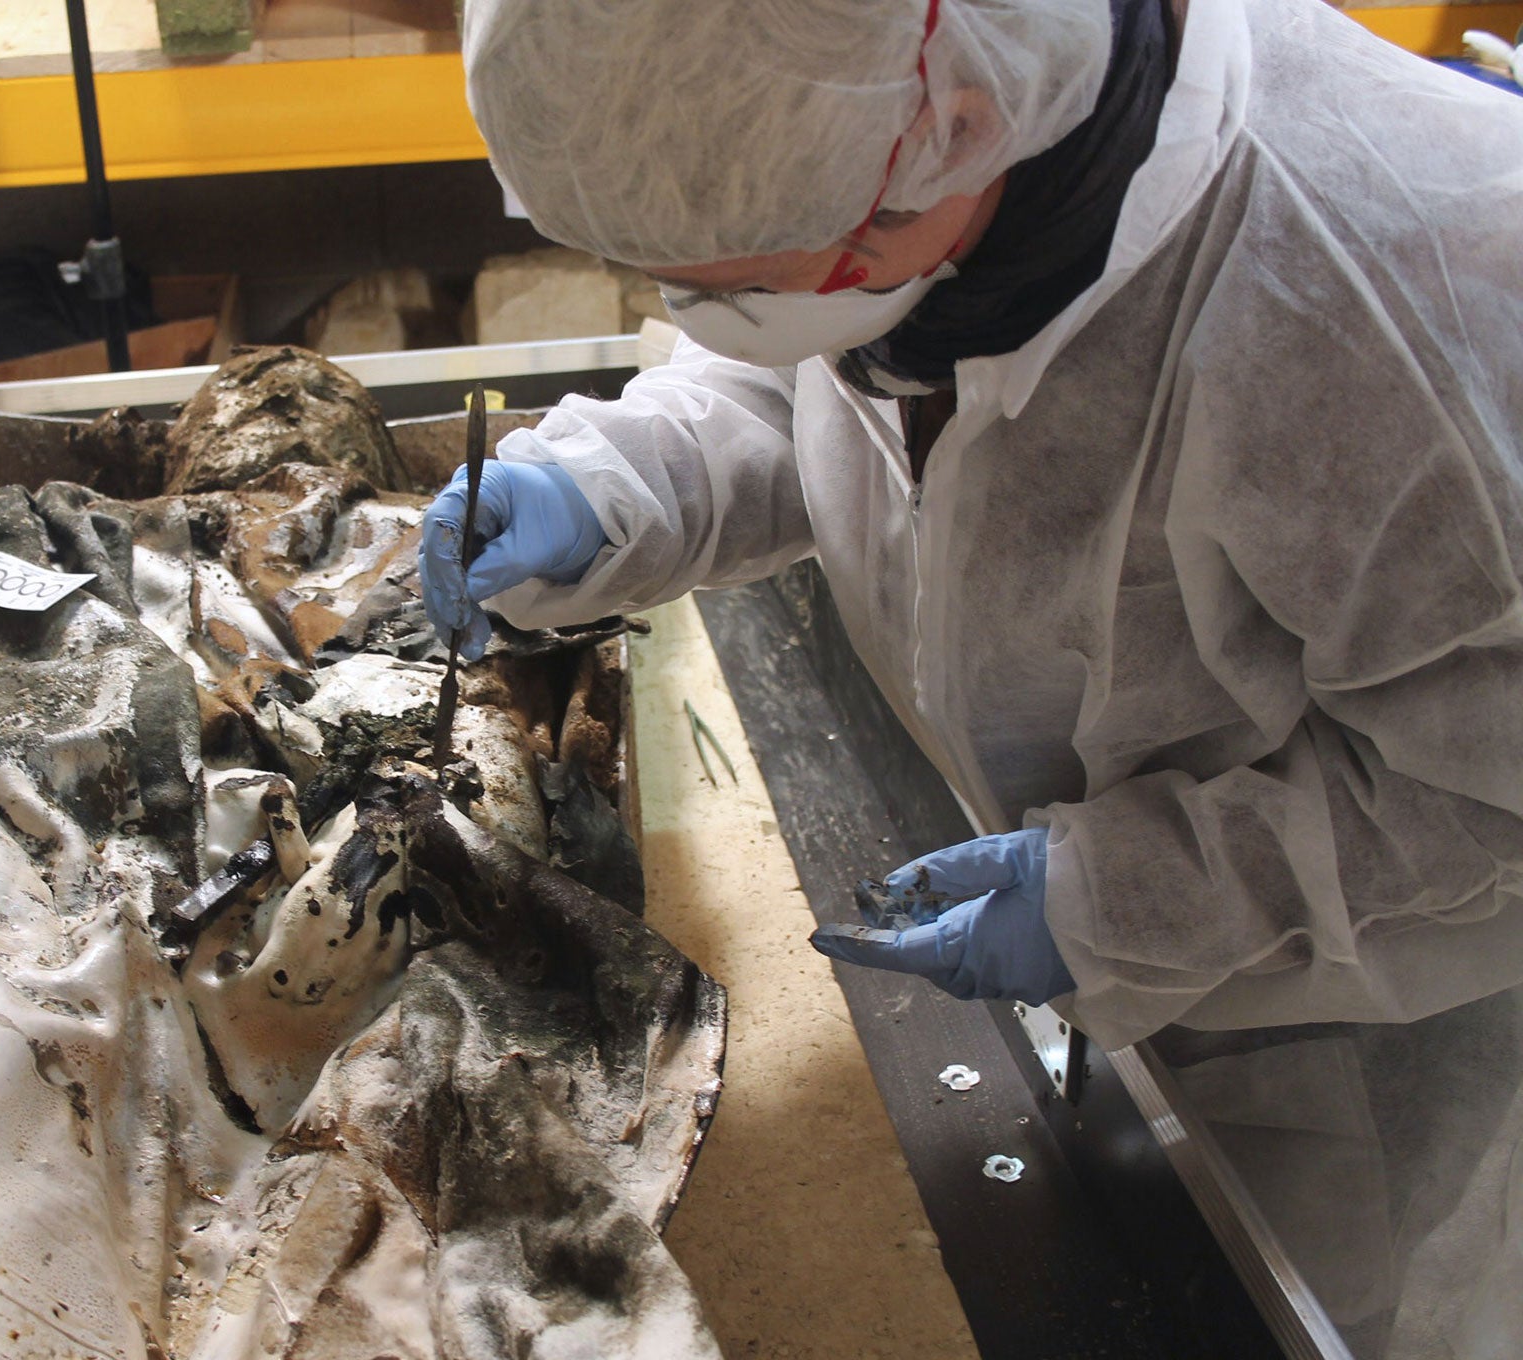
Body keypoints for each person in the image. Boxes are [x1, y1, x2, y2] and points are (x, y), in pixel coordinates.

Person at [418, 0, 1523, 1354]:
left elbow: (1492, 797)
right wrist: (614, 486)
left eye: (729, 274)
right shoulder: (902, 167)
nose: (701, 308)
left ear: (948, 131)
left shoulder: (1403, 303)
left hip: (1359, 1044)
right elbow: (808, 373)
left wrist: (1124, 898)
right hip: (1100, 1001)